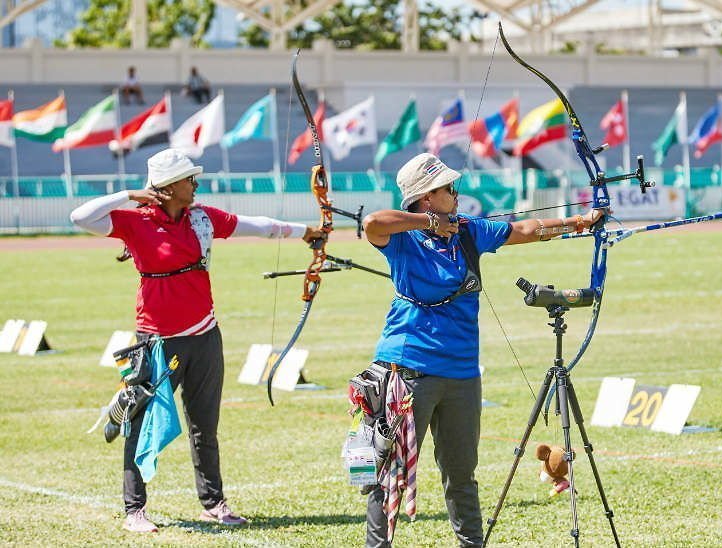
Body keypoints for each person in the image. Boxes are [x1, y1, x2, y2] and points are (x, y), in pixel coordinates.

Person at [70, 148, 322, 534]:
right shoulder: (135, 221)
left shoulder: (201, 218)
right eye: (188, 179)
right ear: (168, 188)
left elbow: (255, 225)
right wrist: (129, 195)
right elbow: (80, 217)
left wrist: (304, 230)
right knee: (141, 424)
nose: (195, 183)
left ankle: (214, 502)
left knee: (205, 423)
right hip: (156, 341)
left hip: (205, 336)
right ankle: (134, 509)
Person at [361, 152, 603, 547]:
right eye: (447, 189)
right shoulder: (403, 238)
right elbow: (373, 223)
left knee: (461, 473)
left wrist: (579, 222)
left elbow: (525, 229)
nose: (456, 194)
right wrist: (430, 223)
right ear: (426, 197)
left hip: (461, 373)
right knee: (393, 472)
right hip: (408, 370)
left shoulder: (468, 231)